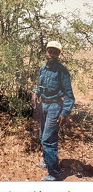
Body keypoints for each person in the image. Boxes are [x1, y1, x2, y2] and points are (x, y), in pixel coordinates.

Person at [31, 41, 75, 181]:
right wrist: (35, 92)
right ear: (46, 52)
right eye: (50, 51)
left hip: (55, 107)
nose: (52, 54)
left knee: (48, 139)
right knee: (42, 135)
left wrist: (64, 112)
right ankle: (48, 162)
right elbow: (40, 86)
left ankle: (55, 174)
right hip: (44, 105)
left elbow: (69, 95)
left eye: (55, 52)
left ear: (58, 54)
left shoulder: (62, 71)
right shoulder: (43, 69)